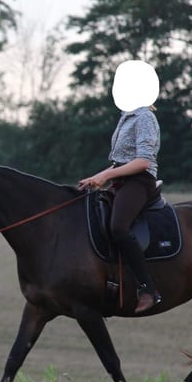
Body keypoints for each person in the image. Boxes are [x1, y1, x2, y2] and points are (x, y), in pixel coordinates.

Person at [78, 60, 162, 314]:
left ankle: (148, 289)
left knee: (118, 227)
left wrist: (105, 175)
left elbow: (143, 161)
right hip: (121, 180)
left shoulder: (145, 117)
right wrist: (98, 177)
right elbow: (120, 160)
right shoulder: (126, 116)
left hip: (139, 181)